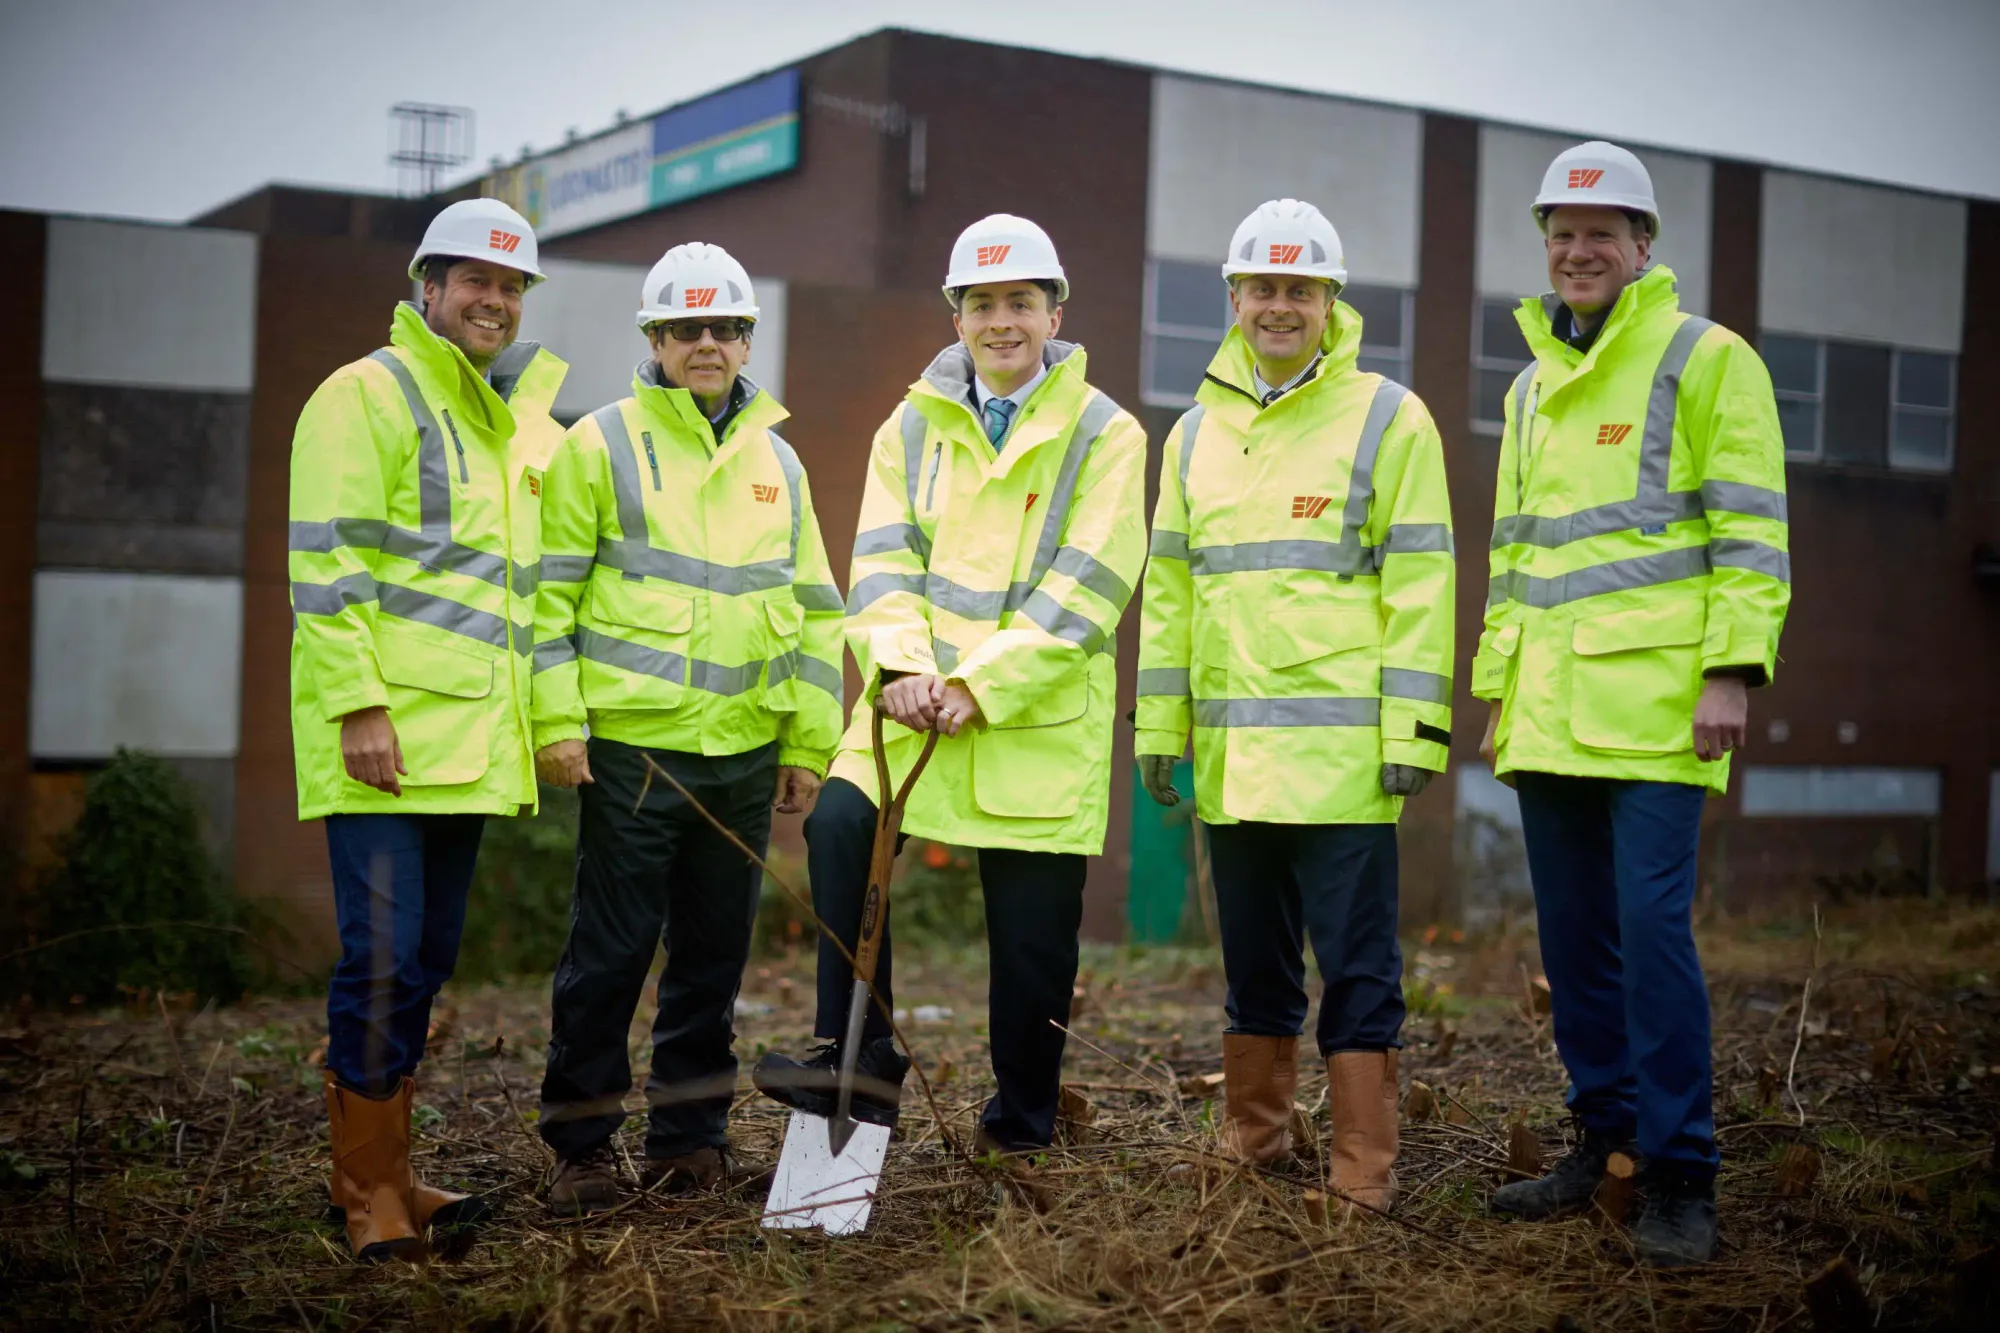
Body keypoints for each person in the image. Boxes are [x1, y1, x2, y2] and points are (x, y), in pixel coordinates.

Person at [751, 214, 1147, 1153]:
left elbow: (1091, 583)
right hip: (909, 701)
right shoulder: (911, 423)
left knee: (1032, 948)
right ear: (956, 316)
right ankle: (857, 1057)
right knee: (841, 825)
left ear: (1056, 311)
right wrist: (901, 668)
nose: (1001, 321)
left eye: (1019, 302)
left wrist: (979, 683)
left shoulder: (1108, 434)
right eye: (981, 304)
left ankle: (1021, 1130)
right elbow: (882, 559)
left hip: (1031, 716)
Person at [1474, 141, 1791, 1267]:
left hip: (1660, 706)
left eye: (1599, 232)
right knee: (1572, 939)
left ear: (1642, 245)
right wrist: (1499, 689)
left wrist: (1729, 670)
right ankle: (1600, 1141)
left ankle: (1680, 1175)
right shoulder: (1526, 388)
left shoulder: (1706, 359)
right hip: (1549, 711)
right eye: (1559, 233)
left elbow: (1749, 531)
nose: (1575, 249)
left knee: (1653, 938)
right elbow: (1518, 556)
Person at [1135, 199, 1455, 1214]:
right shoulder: (1189, 437)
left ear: (1330, 301)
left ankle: (1361, 1168)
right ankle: (1256, 1137)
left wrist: (1412, 729)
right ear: (1234, 299)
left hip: (1345, 768)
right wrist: (1158, 728)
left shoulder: (1386, 418)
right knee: (1254, 968)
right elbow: (1172, 592)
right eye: (1262, 288)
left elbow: (1422, 584)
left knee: (1357, 973)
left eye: (1299, 290)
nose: (1279, 307)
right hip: (1232, 764)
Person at [529, 244, 844, 1213]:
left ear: (745, 338)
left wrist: (803, 742)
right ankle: (582, 1148)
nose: (705, 345)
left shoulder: (777, 462)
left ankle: (688, 1141)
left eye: (723, 328)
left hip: (743, 753)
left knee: (712, 959)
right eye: (685, 329)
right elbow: (548, 598)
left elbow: (815, 609)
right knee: (610, 955)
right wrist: (557, 722)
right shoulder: (600, 443)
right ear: (654, 339)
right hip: (633, 754)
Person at [288, 197, 566, 1260]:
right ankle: (366, 1193)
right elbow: (330, 563)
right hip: (384, 744)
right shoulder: (365, 395)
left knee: (426, 960)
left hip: (469, 748)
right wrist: (357, 703)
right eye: (473, 281)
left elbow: (510, 601)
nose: (493, 300)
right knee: (380, 960)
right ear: (426, 288)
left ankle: (388, 1173)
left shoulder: (490, 419)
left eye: (509, 286)